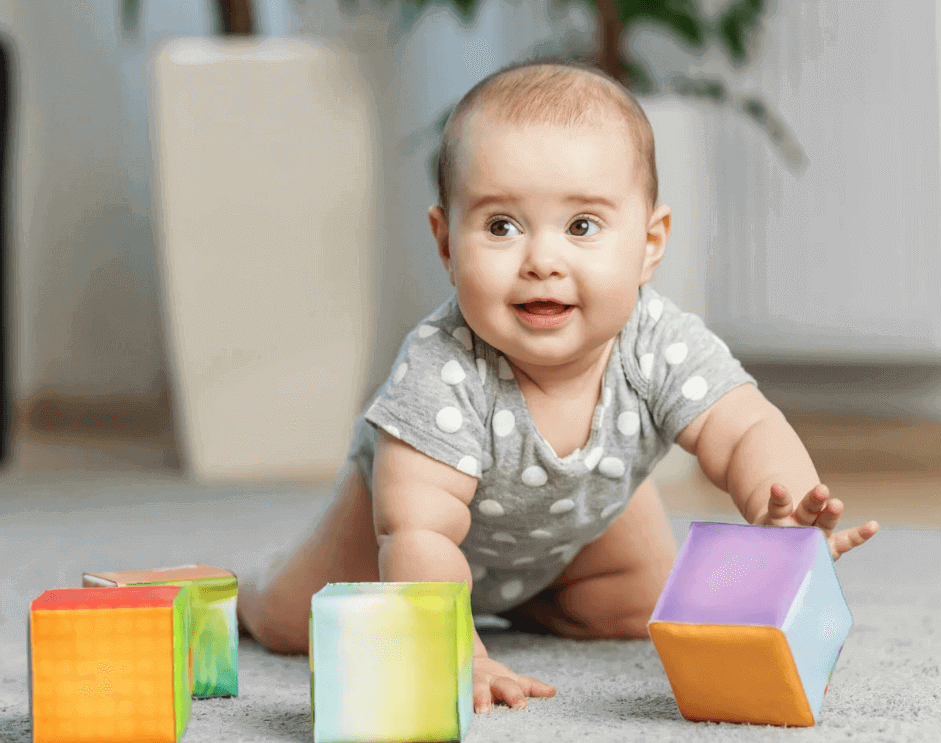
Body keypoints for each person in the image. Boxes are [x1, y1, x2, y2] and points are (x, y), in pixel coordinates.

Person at [238, 58, 880, 715]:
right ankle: (254, 590)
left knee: (640, 606)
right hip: (399, 540)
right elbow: (418, 530)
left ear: (649, 243)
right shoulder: (441, 366)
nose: (542, 260)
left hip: (576, 522)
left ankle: (535, 598)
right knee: (295, 622)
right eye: (500, 226)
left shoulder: (658, 339)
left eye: (581, 227)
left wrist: (782, 512)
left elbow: (743, 426)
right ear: (445, 241)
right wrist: (457, 652)